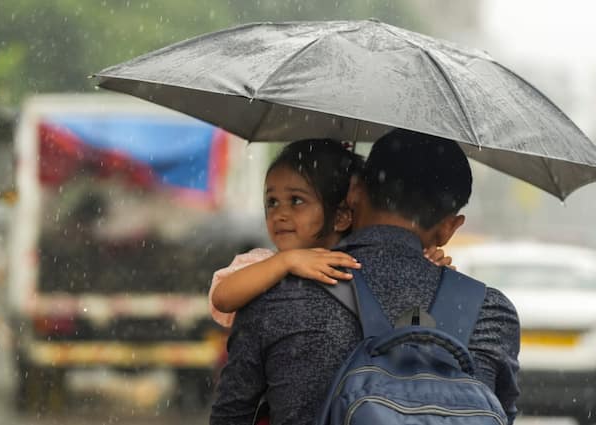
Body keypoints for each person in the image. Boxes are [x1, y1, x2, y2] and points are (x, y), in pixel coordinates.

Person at [210, 129, 521, 425]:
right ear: (450, 227)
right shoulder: (489, 312)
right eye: (273, 202)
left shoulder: (275, 291)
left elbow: (231, 415)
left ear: (355, 192)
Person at [208, 139, 452, 328]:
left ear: (341, 216)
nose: (280, 214)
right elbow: (222, 297)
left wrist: (428, 265)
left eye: (296, 200)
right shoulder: (262, 262)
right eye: (272, 202)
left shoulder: (358, 261)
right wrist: (286, 262)